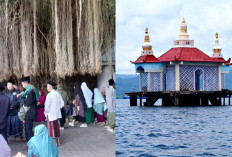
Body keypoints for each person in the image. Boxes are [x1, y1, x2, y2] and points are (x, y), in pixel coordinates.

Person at [17, 76, 38, 142]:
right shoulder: (30, 90)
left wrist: (20, 97)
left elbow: (27, 103)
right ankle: (30, 143)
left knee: (28, 130)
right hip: (30, 112)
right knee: (28, 129)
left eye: (22, 84)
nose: (22, 85)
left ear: (25, 83)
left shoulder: (30, 91)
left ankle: (31, 144)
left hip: (29, 112)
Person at [44, 81, 64, 146]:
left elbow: (47, 106)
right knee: (57, 128)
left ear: (50, 87)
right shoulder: (58, 94)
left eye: (47, 87)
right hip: (57, 114)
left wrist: (46, 113)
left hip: (51, 115)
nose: (47, 88)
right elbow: (62, 103)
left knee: (52, 129)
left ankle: (55, 143)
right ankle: (58, 142)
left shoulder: (49, 95)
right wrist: (57, 108)